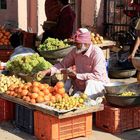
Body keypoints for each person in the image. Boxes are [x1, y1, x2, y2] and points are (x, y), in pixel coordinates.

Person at [38, 28, 110, 99]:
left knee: (90, 83)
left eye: (77, 44)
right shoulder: (75, 51)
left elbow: (97, 76)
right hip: (81, 86)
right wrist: (46, 71)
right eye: (75, 43)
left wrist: (77, 76)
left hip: (98, 86)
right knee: (71, 91)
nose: (75, 46)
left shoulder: (97, 53)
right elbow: (62, 64)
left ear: (86, 43)